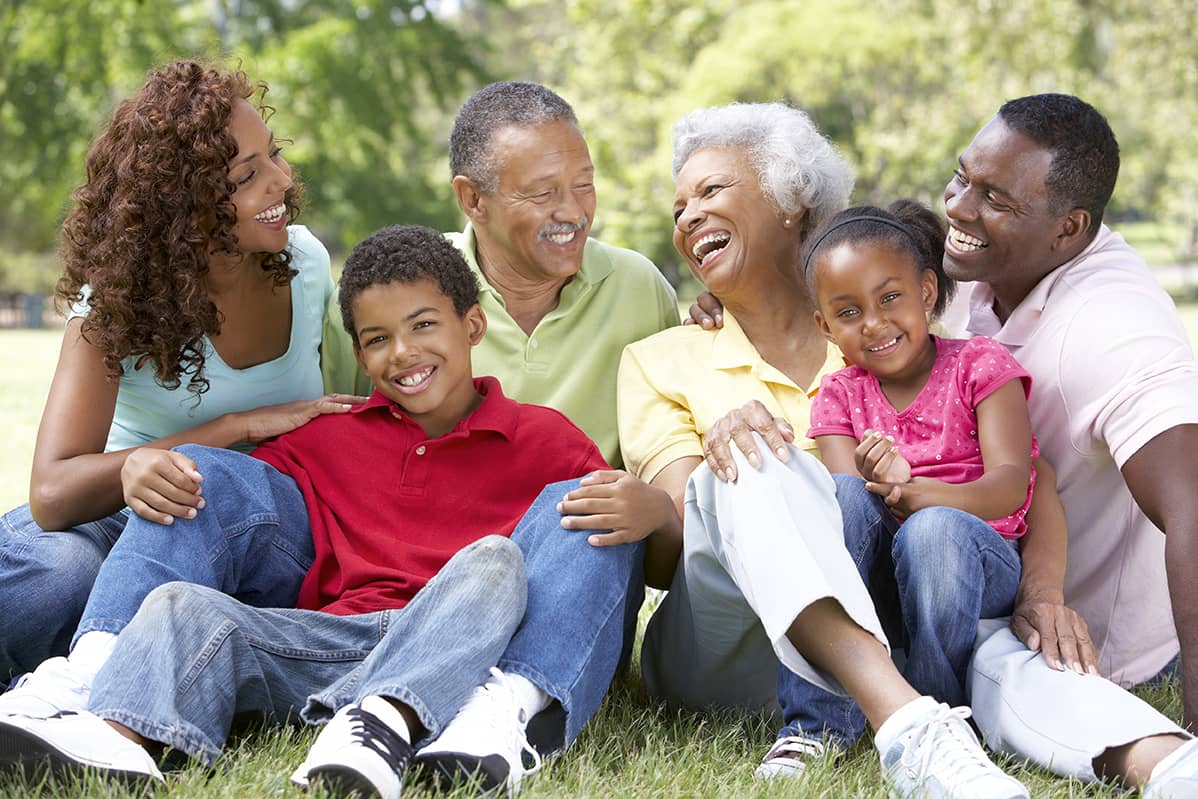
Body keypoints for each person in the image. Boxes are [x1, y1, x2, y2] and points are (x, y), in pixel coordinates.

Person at [0, 224, 641, 798]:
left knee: (548, 530)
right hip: (327, 647)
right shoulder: (329, 436)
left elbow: (603, 580)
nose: (404, 352)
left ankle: (491, 721)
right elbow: (225, 510)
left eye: (424, 325)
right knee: (196, 520)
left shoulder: (548, 440)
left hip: (480, 658)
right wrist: (149, 461)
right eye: (378, 339)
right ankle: (107, 716)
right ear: (359, 357)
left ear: (472, 326)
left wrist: (655, 514)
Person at [694, 93, 1198, 794]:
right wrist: (731, 294)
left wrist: (1028, 576)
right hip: (920, 583)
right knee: (793, 483)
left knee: (945, 552)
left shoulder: (1113, 328)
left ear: (1068, 227)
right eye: (963, 177)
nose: (959, 206)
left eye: (992, 196)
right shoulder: (965, 282)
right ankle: (829, 720)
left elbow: (1168, 505)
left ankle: (1150, 759)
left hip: (1042, 613)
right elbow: (857, 267)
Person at [567, 101, 1030, 798]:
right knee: (751, 453)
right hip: (726, 647)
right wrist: (750, 454)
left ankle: (892, 710)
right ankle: (908, 721)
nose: (688, 216)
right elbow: (690, 538)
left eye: (712, 191)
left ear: (791, 201)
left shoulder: (891, 336)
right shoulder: (659, 359)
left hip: (887, 629)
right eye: (679, 207)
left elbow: (1005, 480)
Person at [0, 60, 361, 684]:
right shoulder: (119, 301)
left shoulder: (305, 264)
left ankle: (93, 673)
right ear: (187, 210)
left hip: (240, 523)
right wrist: (231, 427)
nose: (280, 181)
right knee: (52, 581)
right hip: (111, 516)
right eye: (249, 176)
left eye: (273, 157)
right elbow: (55, 494)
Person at [320, 80, 679, 469]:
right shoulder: (385, 297)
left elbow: (679, 428)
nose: (574, 213)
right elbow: (336, 446)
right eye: (543, 194)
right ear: (472, 199)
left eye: (583, 185)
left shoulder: (639, 288)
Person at [789, 199, 1037, 745]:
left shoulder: (980, 365)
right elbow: (849, 505)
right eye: (848, 312)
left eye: (890, 298)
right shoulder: (838, 395)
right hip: (886, 575)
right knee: (845, 497)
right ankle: (820, 722)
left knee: (935, 528)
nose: (874, 324)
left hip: (975, 561)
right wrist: (884, 483)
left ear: (926, 291)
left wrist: (921, 495)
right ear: (824, 326)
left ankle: (939, 722)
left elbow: (1010, 486)